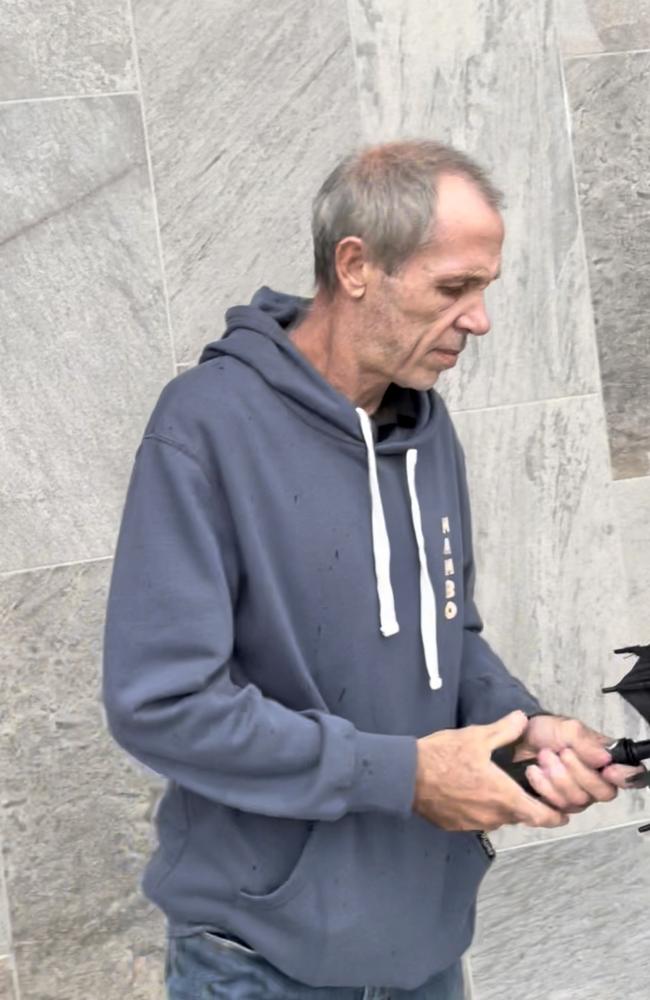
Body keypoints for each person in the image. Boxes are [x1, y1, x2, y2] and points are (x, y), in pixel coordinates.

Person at [102, 141, 638, 999]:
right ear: (356, 265)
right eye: (453, 288)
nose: (479, 320)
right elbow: (160, 705)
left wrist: (519, 729)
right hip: (259, 963)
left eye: (485, 289)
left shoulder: (425, 429)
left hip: (426, 953)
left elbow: (449, 636)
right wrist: (409, 775)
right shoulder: (205, 428)